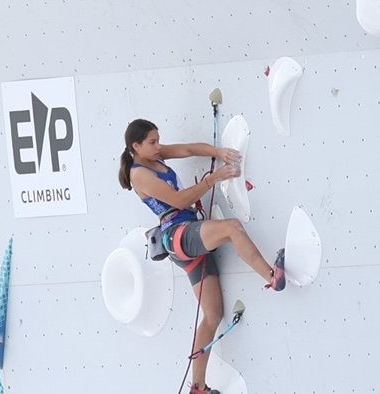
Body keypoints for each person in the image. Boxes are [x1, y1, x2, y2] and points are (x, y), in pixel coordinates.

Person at [120, 120, 286, 394]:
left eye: (158, 139)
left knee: (213, 314)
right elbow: (179, 201)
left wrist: (218, 152)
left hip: (185, 239)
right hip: (180, 235)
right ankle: (272, 276)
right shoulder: (139, 174)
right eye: (152, 142)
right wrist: (213, 178)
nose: (159, 145)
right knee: (232, 228)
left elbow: (187, 150)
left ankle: (197, 387)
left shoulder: (154, 156)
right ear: (136, 146)